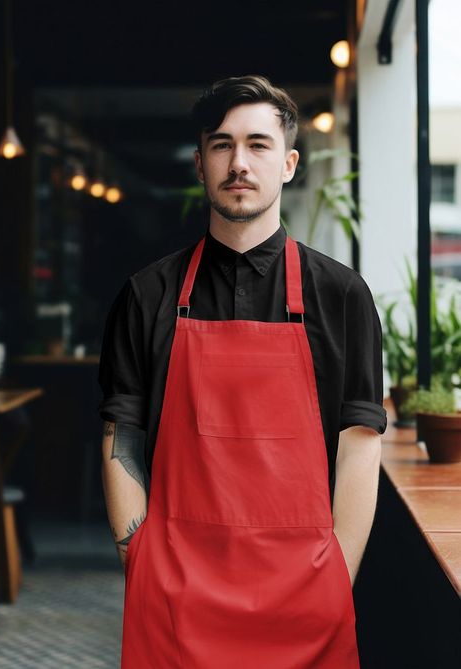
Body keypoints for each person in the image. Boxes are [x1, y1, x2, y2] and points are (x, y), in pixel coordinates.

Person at [98, 74, 387, 669]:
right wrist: (139, 559)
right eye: (222, 145)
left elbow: (358, 445)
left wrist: (337, 577)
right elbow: (122, 433)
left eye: (258, 144)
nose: (239, 162)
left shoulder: (340, 295)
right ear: (201, 163)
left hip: (306, 599)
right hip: (175, 598)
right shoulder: (146, 295)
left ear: (288, 163)